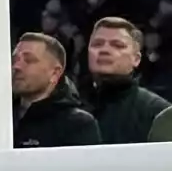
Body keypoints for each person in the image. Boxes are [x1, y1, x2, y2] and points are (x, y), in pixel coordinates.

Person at [85, 17, 168, 145]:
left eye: (117, 45)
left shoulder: (158, 112)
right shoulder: (69, 106)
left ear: (136, 59)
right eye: (97, 44)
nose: (104, 50)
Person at [13, 33, 100, 148]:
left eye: (29, 60)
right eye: (14, 60)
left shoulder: (77, 125)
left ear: (55, 73)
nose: (16, 66)